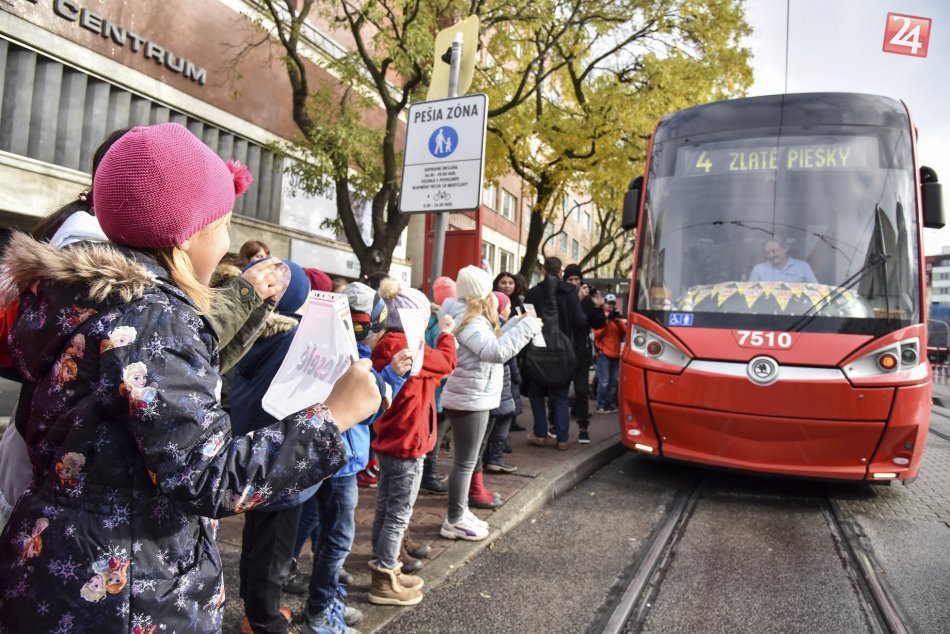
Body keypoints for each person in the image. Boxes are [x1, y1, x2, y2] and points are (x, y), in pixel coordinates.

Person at [0, 123, 381, 632]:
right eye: (223, 225)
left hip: (55, 565)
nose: (227, 242)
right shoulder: (156, 320)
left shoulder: (75, 300)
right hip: (128, 589)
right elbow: (208, 477)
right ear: (185, 235)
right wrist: (333, 417)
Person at [295, 282, 411, 634]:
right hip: (341, 462)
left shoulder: (316, 347)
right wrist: (393, 377)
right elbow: (368, 410)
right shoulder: (356, 360)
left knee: (319, 530)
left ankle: (322, 600)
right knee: (338, 539)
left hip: (317, 456)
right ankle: (320, 612)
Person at [230, 259, 315, 634]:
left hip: (249, 445)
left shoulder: (245, 332)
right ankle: (263, 620)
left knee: (256, 536)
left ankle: (254, 607)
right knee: (274, 546)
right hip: (281, 457)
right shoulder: (294, 340)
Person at [369, 278, 457, 605]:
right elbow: (446, 362)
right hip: (409, 441)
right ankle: (384, 576)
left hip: (391, 439)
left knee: (385, 506)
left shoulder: (387, 341)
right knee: (399, 513)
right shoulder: (408, 346)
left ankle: (385, 563)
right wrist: (446, 333)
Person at [440, 266, 541, 540]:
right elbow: (495, 352)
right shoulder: (470, 320)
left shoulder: (468, 316)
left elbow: (491, 342)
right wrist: (527, 328)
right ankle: (454, 519)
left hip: (472, 395)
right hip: (470, 398)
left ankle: (460, 512)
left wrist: (515, 324)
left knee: (467, 460)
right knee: (465, 462)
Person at [524, 258, 603, 449]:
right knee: (560, 395)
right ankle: (562, 438)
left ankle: (540, 433)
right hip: (564, 351)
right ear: (561, 272)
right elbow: (580, 321)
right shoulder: (570, 293)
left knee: (536, 393)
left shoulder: (533, 293)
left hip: (538, 349)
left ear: (543, 271)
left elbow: (526, 321)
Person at [419, 275, 457, 495]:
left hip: (431, 386)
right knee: (436, 432)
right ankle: (429, 474)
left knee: (432, 430)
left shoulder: (428, 318)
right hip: (440, 386)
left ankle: (427, 472)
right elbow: (443, 357)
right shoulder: (444, 322)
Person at [560, 263, 606, 444]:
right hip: (563, 351)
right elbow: (566, 321)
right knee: (559, 390)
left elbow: (598, 324)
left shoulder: (587, 300)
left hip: (581, 351)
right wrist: (576, 301)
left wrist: (598, 306)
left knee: (581, 391)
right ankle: (556, 425)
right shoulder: (561, 297)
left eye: (576, 279)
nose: (573, 283)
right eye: (570, 280)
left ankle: (583, 428)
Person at [482, 291, 523, 474]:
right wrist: (517, 378)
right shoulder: (499, 326)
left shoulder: (488, 324)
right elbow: (509, 357)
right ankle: (495, 457)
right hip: (503, 382)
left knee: (492, 421)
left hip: (496, 382)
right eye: (507, 306)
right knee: (503, 417)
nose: (509, 309)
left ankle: (488, 458)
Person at [593, 294, 627, 415]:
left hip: (615, 354)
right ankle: (601, 405)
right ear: (605, 303)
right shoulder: (600, 316)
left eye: (613, 303)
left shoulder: (616, 317)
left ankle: (608, 404)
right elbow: (596, 334)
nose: (611, 305)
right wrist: (606, 320)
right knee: (604, 381)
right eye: (609, 303)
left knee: (613, 381)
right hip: (604, 353)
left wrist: (617, 321)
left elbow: (624, 332)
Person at [749, 238, 817, 283]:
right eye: (768, 252)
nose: (771, 255)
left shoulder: (803, 267)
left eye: (774, 251)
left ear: (785, 249)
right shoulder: (758, 269)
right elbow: (749, 294)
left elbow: (815, 290)